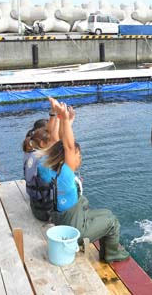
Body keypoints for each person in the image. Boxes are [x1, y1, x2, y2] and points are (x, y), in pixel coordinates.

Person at [37, 99, 129, 263]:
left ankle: (108, 247)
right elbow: (68, 146)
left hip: (60, 221)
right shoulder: (65, 174)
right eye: (78, 156)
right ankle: (112, 254)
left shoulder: (46, 167)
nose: (79, 158)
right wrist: (64, 119)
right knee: (112, 222)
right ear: (68, 157)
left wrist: (57, 116)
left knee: (107, 213)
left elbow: (54, 139)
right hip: (74, 230)